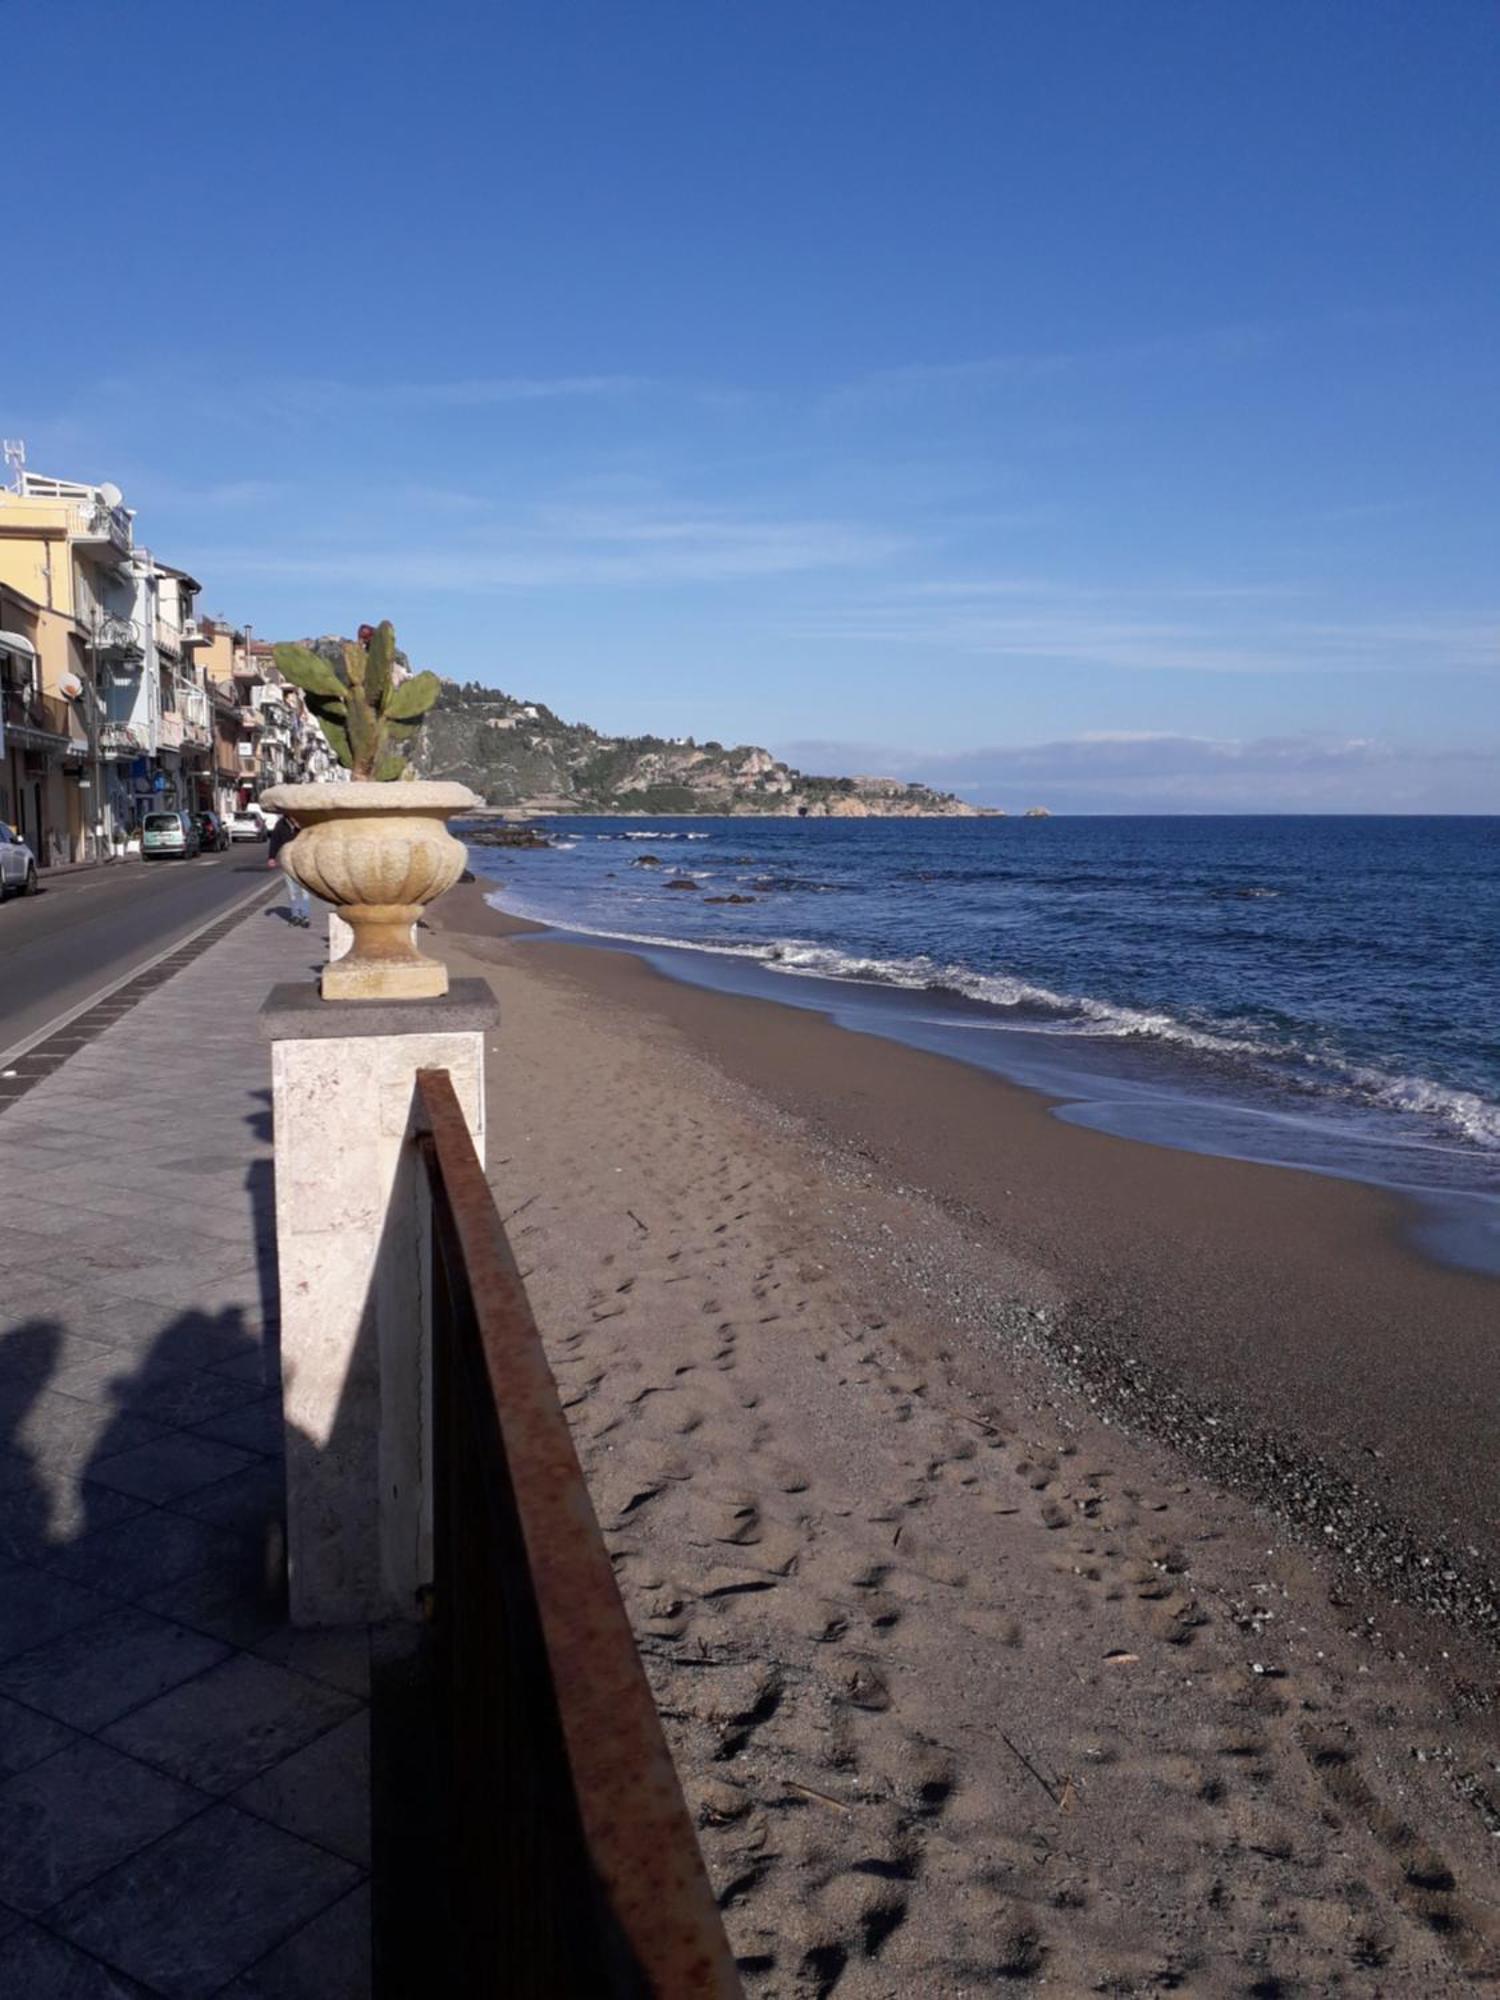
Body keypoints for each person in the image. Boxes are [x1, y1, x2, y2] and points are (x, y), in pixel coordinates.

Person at [267, 811, 310, 926]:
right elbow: (275, 841)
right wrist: (271, 857)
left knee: (304, 890)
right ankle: (295, 915)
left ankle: (305, 916)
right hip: (287, 862)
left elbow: (312, 840)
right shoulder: (281, 825)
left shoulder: (304, 824)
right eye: (292, 815)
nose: (294, 817)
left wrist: (300, 829)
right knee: (292, 891)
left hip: (303, 862)